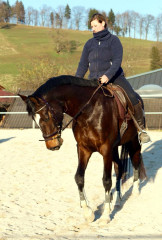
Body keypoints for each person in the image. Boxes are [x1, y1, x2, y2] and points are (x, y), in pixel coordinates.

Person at [76, 13, 150, 144]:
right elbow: (82, 65)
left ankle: (141, 129)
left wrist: (107, 75)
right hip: (93, 79)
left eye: (95, 25)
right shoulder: (89, 44)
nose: (92, 28)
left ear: (103, 23)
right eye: (91, 26)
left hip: (114, 77)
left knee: (133, 97)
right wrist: (76, 82)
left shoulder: (114, 40)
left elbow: (117, 62)